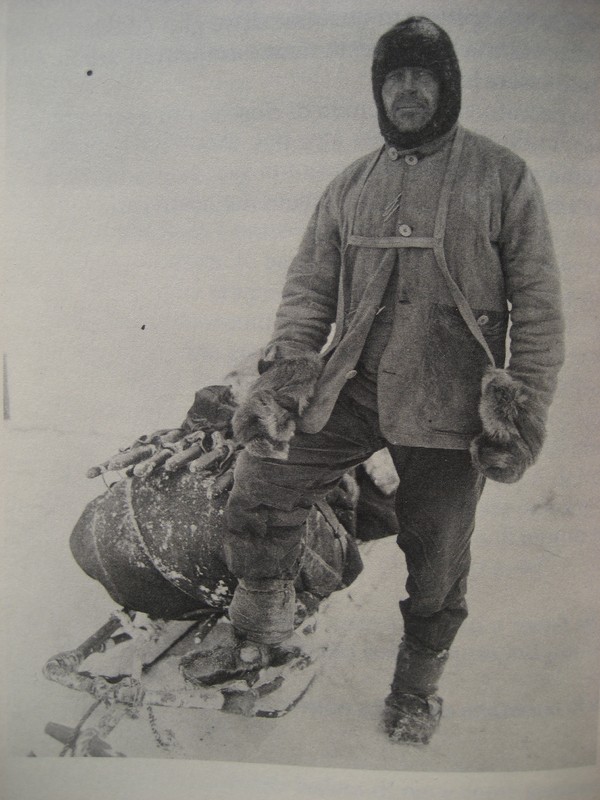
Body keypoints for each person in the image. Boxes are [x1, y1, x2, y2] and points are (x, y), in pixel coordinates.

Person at [182, 16, 564, 744]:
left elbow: (540, 307)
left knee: (438, 556)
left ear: (446, 87)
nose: (409, 90)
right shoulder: (351, 184)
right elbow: (308, 290)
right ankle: (262, 625)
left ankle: (416, 687)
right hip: (354, 388)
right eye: (396, 78)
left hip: (450, 404)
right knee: (263, 476)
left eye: (423, 76)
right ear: (379, 91)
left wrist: (523, 408)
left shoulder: (502, 175)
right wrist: (290, 373)